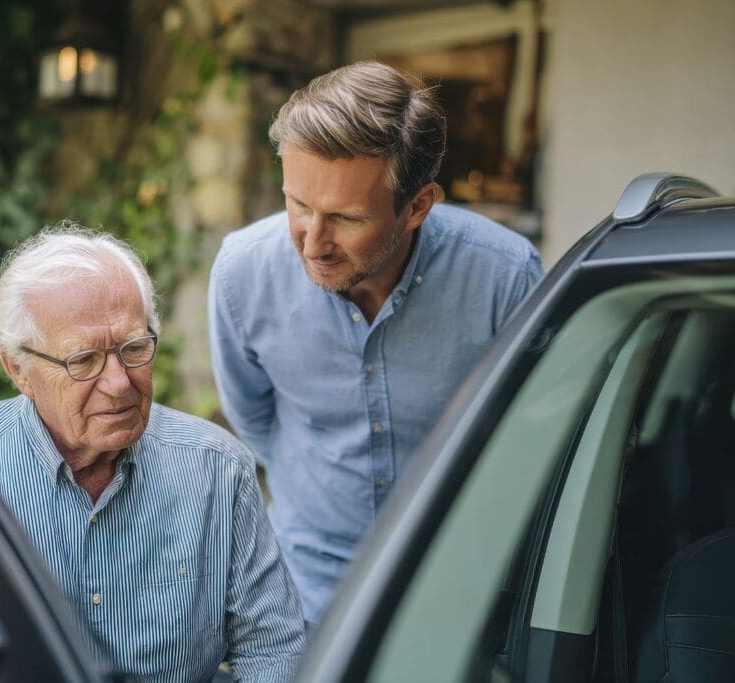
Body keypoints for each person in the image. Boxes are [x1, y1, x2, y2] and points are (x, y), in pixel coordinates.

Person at [208, 61, 544, 625]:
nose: (312, 243)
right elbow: (253, 419)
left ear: (418, 206)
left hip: (464, 590)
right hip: (307, 593)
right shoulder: (242, 273)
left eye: (346, 218)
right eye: (298, 205)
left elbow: (531, 439)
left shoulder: (505, 276)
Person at [0, 225, 305, 681]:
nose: (119, 383)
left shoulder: (218, 468)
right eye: (83, 360)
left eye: (134, 348)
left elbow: (273, 649)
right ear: (18, 369)